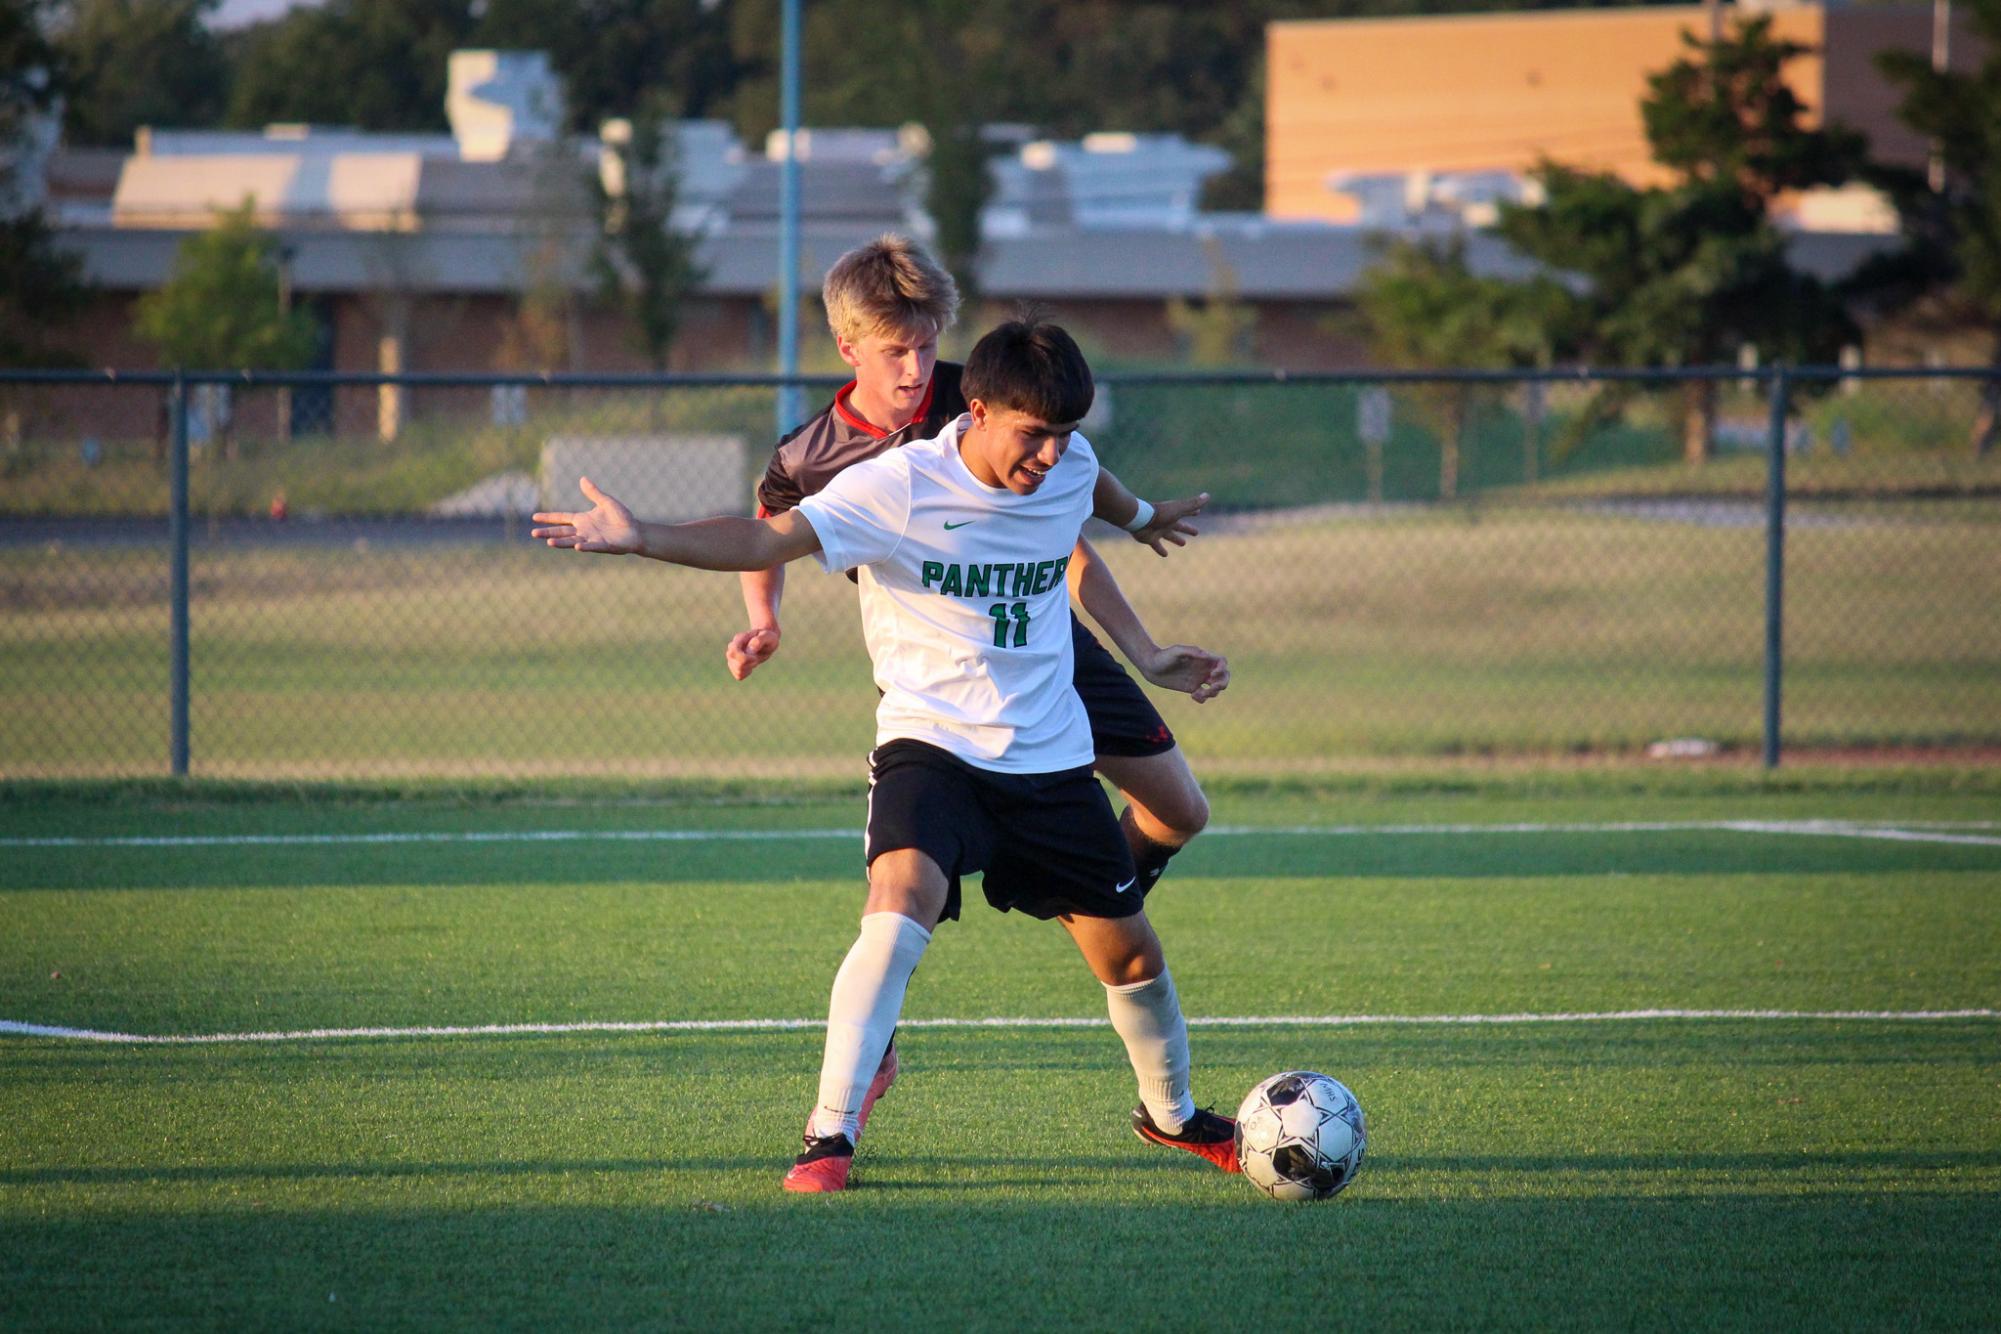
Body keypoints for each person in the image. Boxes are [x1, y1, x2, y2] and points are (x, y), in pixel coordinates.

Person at [532, 317, 1240, 1193]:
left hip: (1048, 756)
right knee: (898, 900)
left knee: (1130, 957)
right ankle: (829, 1133)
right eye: (1033, 435)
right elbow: (765, 538)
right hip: (930, 745)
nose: (1052, 455)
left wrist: (1141, 523)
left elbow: (1096, 492)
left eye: (1064, 434)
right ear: (975, 410)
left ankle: (1169, 1115)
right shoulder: (898, 487)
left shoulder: (1069, 468)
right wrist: (644, 535)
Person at [730, 236, 1225, 900]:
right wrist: (764, 618)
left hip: (1047, 646)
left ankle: (1087, 898)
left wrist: (1144, 634)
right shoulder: (807, 456)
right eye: (895, 351)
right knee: (912, 886)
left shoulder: (978, 404)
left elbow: (1069, 536)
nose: (916, 368)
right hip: (941, 675)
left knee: (1182, 812)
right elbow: (768, 530)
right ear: (848, 348)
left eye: (928, 346)